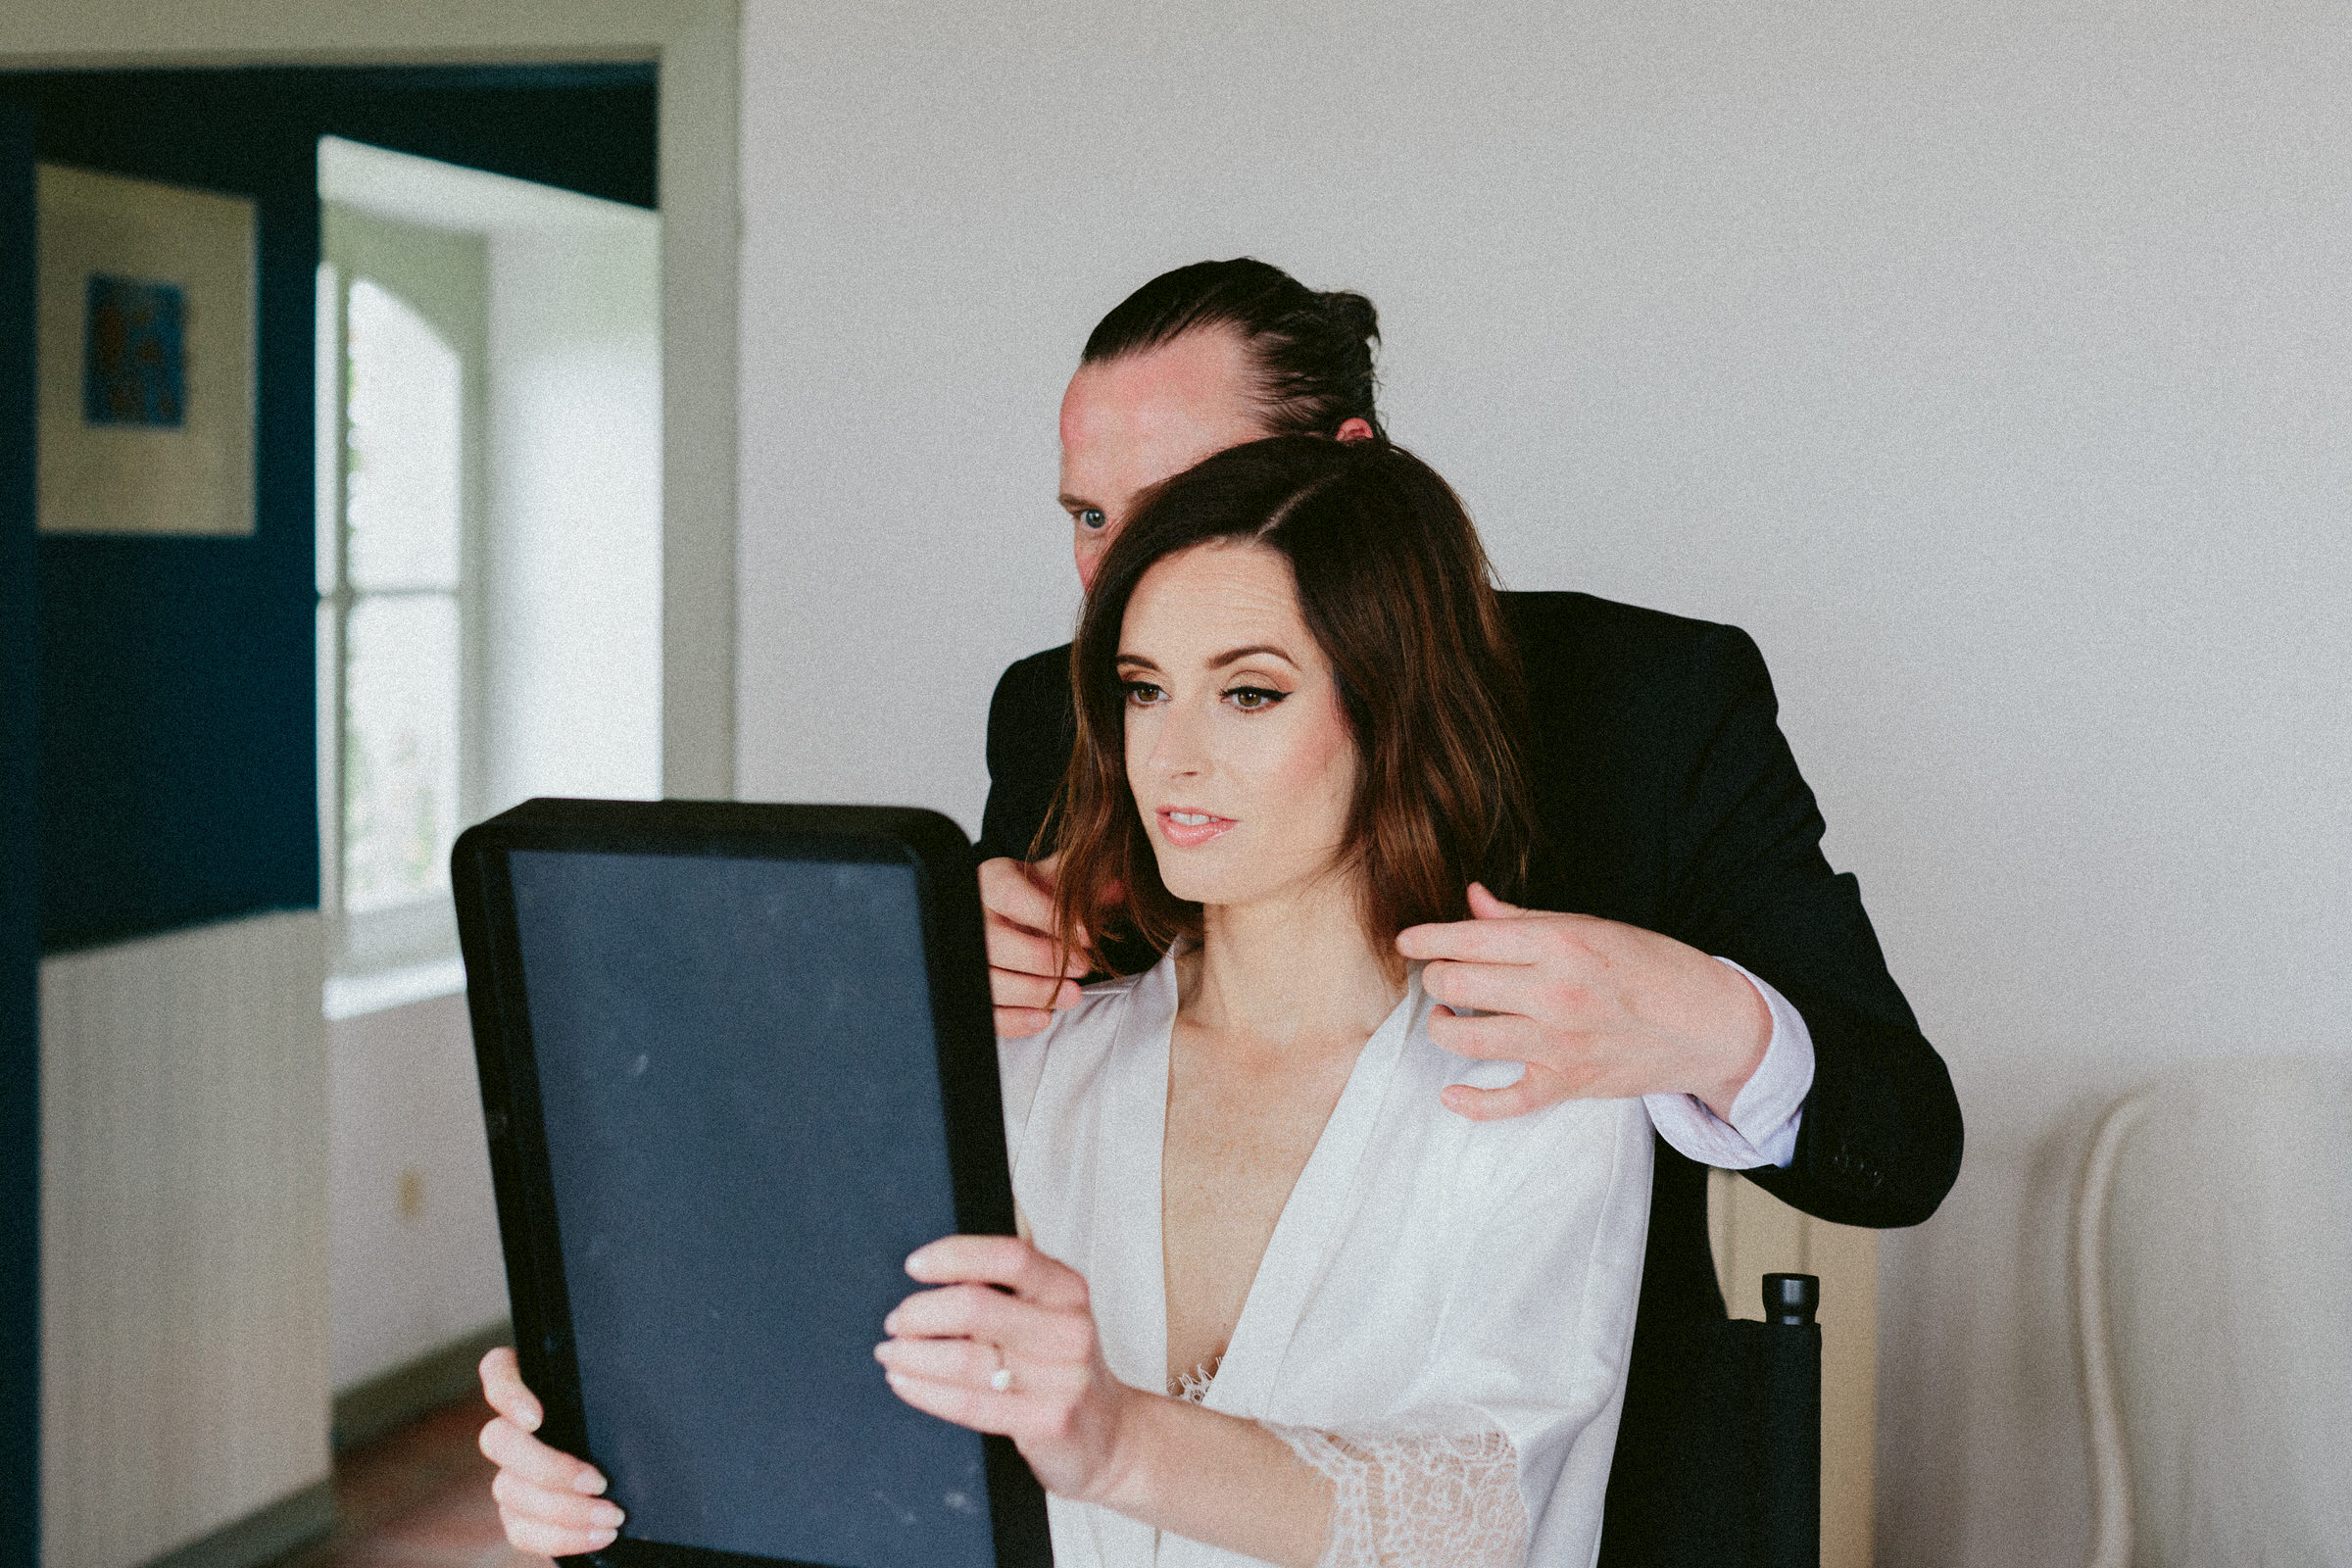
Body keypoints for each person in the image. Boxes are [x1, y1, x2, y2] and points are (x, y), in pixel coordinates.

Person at [482, 436, 1654, 1566]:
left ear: (1396, 711)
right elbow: (850, 1446)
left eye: (1249, 693)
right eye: (1145, 690)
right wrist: (620, 1470)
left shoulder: (1545, 1095)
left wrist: (1117, 1439)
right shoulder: (1032, 1065)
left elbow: (1477, 1517)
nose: (1173, 755)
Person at [973, 259, 1965, 1558]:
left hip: (1590, 1477)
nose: (1125, 576)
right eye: (1091, 517)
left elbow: (1902, 1133)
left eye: (1183, 505)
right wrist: (945, 965)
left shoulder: (1652, 704)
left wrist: (1708, 1023)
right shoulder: (1055, 715)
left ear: (1353, 477)